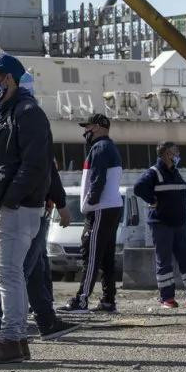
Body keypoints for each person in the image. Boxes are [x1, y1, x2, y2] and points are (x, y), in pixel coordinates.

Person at [0, 54, 52, 364]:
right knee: (8, 274)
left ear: (10, 80)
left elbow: (35, 164)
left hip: (13, 208)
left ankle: (11, 337)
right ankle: (16, 340)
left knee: (9, 275)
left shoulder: (27, 112)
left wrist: (9, 199)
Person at [0, 161, 79, 341]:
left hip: (26, 208)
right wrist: (61, 204)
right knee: (18, 271)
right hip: (29, 209)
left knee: (34, 269)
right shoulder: (33, 134)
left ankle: (46, 321)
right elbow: (46, 169)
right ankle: (3, 328)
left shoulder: (8, 135)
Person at [133, 142, 186, 309]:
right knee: (165, 262)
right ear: (167, 154)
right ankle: (167, 298)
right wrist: (153, 200)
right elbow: (138, 187)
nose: (178, 155)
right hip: (162, 224)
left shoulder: (175, 173)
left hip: (180, 224)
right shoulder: (154, 172)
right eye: (175, 152)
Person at [61, 114, 124, 313]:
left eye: (87, 127)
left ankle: (81, 300)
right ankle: (108, 300)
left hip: (100, 209)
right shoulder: (109, 147)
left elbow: (98, 179)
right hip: (111, 207)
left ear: (97, 127)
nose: (85, 132)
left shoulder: (100, 148)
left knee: (91, 254)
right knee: (106, 256)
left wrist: (90, 202)